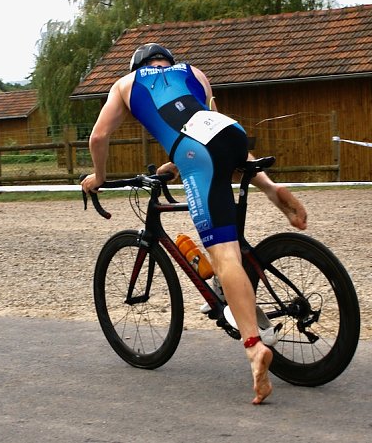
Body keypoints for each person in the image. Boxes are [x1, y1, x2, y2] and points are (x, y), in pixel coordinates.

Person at [81, 43, 307, 405]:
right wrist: (174, 164)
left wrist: (100, 175)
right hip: (229, 135)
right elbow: (206, 125)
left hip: (195, 153)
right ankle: (269, 186)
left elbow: (98, 136)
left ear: (138, 65)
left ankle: (253, 347)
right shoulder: (195, 73)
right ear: (168, 63)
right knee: (229, 227)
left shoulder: (125, 83)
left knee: (224, 257)